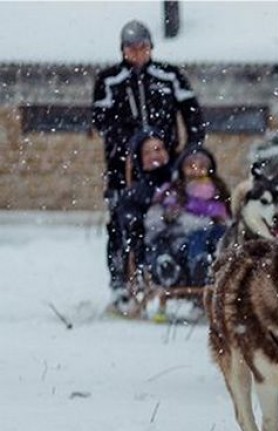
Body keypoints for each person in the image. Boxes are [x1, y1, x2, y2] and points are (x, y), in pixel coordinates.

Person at [92, 20, 206, 308]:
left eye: (143, 47)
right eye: (132, 48)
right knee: (122, 223)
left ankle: (181, 276)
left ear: (151, 47)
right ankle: (121, 281)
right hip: (124, 169)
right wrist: (131, 147)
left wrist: (190, 151)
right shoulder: (109, 80)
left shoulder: (169, 76)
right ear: (123, 50)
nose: (138, 53)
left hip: (166, 166)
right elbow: (101, 121)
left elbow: (193, 115)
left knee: (176, 219)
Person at [144, 145, 231, 287]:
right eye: (191, 166)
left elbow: (227, 219)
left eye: (202, 166)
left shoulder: (219, 192)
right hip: (182, 243)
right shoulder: (172, 192)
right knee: (197, 235)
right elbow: (154, 222)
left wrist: (217, 223)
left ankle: (219, 267)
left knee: (219, 235)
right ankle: (199, 265)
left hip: (213, 243)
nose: (196, 170)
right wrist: (168, 218)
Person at [108, 130, 174, 314]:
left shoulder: (180, 180)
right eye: (148, 152)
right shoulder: (136, 192)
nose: (155, 155)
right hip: (152, 243)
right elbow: (128, 222)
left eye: (159, 149)